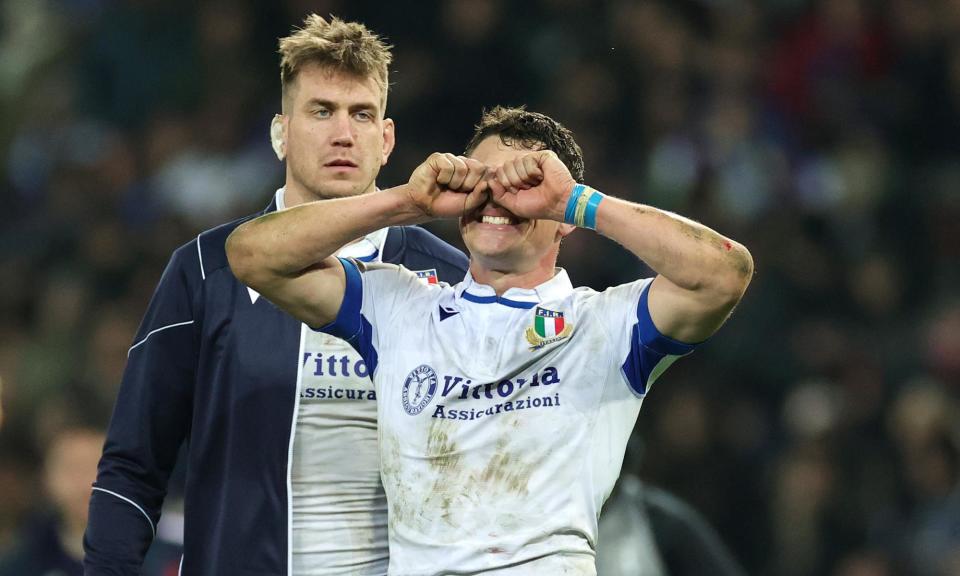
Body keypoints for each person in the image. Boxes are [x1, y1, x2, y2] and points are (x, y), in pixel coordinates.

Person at [226, 106, 754, 574]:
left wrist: (576, 201)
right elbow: (251, 254)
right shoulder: (397, 305)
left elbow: (725, 273)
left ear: (562, 221)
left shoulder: (607, 326)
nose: (497, 200)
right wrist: (407, 202)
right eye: (483, 182)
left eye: (523, 188)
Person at [83, 15, 468, 575]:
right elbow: (133, 466)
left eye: (361, 113)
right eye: (320, 111)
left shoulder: (447, 276)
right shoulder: (205, 270)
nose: (343, 133)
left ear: (386, 140)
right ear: (280, 132)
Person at [0, 425, 103, 576]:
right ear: (47, 480)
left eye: (100, 467)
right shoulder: (22, 561)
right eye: (73, 469)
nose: (87, 483)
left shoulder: (146, 554)